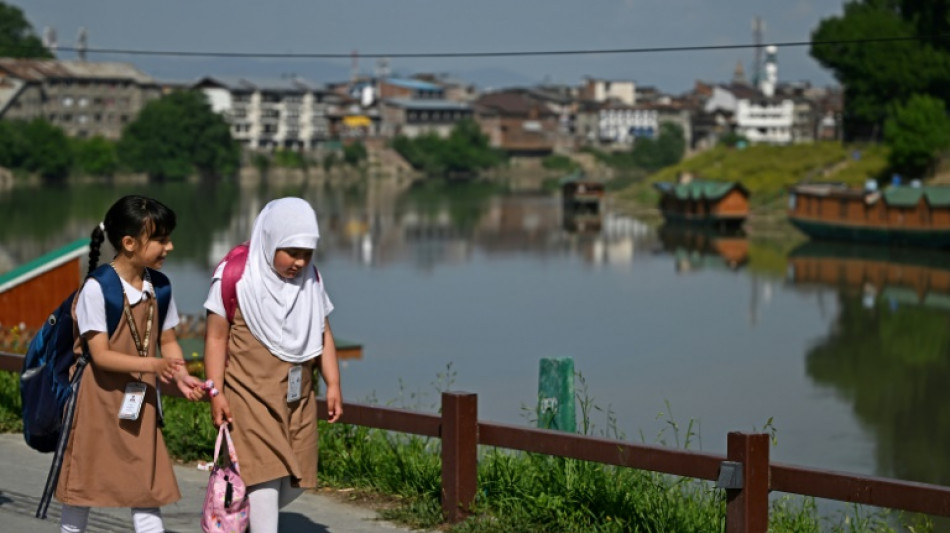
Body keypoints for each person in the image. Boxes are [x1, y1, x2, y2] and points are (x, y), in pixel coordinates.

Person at [56, 195, 206, 533]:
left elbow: (168, 342)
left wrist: (181, 375)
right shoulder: (98, 289)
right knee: (82, 488)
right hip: (95, 402)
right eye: (160, 238)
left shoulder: (160, 287)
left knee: (146, 489)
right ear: (128, 243)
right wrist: (153, 367)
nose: (169, 246)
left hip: (137, 404)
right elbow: (100, 355)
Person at [203, 197, 343, 533]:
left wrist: (334, 384)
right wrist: (215, 392)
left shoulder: (310, 278)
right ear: (271, 238)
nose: (299, 262)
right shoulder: (236, 272)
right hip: (248, 394)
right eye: (291, 252)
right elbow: (216, 338)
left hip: (297, 396)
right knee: (264, 479)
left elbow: (323, 330)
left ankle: (233, 513)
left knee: (297, 478)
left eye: (306, 253)